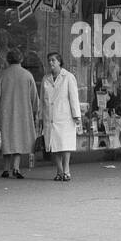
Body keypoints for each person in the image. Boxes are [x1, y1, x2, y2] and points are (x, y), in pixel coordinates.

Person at [0, 47, 38, 179]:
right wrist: (37, 111)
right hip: (23, 112)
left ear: (8, 59)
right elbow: (34, 97)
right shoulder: (27, 75)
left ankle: (6, 169)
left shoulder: (2, 75)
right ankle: (16, 168)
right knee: (19, 138)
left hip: (5, 111)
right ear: (21, 59)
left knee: (7, 139)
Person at [40, 52, 81, 181]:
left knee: (65, 145)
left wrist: (76, 115)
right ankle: (59, 170)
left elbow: (73, 97)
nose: (50, 63)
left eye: (53, 60)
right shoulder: (45, 79)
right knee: (54, 146)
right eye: (49, 60)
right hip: (50, 117)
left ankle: (66, 170)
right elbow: (42, 99)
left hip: (64, 116)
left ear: (59, 62)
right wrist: (41, 116)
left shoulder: (68, 77)